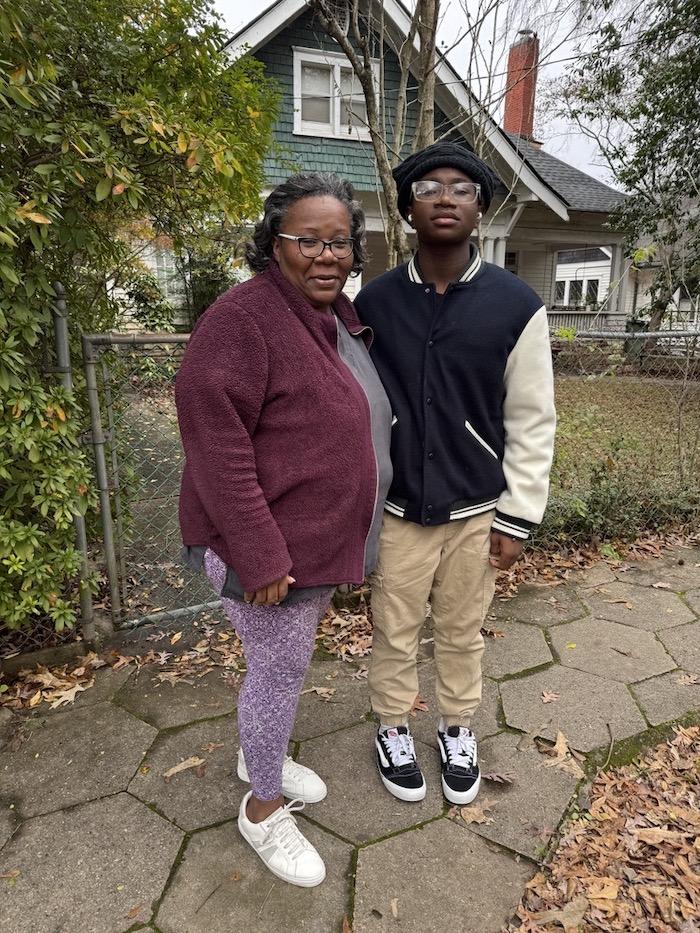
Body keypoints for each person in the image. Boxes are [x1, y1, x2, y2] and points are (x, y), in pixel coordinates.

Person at [175, 173, 392, 887]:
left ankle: (256, 754)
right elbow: (218, 448)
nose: (327, 255)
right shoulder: (244, 320)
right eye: (308, 240)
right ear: (273, 243)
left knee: (277, 673)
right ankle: (262, 808)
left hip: (313, 545)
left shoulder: (330, 316)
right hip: (267, 553)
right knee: (276, 675)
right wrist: (261, 552)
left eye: (340, 242)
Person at [354, 142, 556, 806]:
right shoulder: (373, 302)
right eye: (430, 188)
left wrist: (518, 515)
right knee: (395, 627)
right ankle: (392, 725)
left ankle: (457, 726)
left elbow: (532, 419)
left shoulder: (515, 305)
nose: (445, 197)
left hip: (477, 510)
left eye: (462, 188)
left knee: (464, 629)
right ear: (409, 207)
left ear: (480, 208)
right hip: (401, 510)